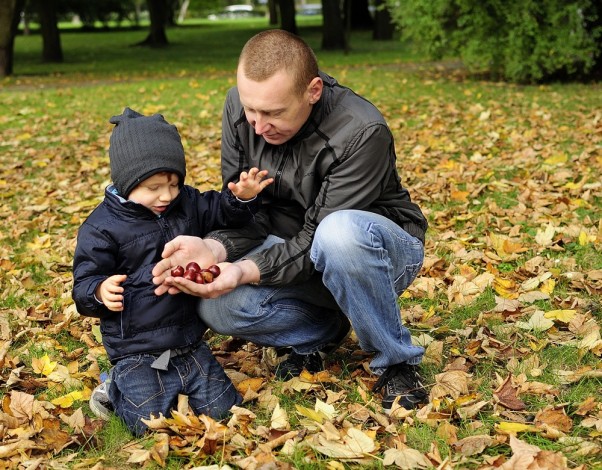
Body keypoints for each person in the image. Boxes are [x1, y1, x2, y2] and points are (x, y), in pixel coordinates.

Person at [152, 29, 429, 413]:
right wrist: (214, 248)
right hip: (289, 243)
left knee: (339, 237)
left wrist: (246, 270)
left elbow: (319, 236)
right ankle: (320, 331)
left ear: (312, 91)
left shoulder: (362, 132)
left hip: (376, 250)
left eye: (273, 113)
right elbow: (247, 211)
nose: (258, 125)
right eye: (251, 109)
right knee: (217, 307)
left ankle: (397, 361)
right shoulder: (241, 110)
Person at [72, 107, 273, 435]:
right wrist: (98, 291)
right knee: (149, 425)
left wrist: (241, 200)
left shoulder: (187, 203)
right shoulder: (102, 228)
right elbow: (84, 283)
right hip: (136, 349)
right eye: (153, 187)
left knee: (228, 412)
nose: (166, 195)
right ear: (126, 182)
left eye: (174, 184)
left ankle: (178, 386)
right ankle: (114, 388)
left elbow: (223, 213)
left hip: (188, 341)